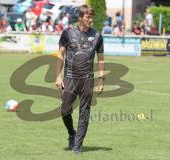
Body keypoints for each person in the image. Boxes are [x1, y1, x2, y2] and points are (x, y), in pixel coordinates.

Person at [55, 4, 105, 154]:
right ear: (81, 17)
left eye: (92, 17)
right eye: (88, 17)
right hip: (69, 77)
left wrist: (102, 79)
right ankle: (72, 133)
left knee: (84, 112)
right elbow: (60, 54)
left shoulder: (97, 36)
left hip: (87, 79)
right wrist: (57, 76)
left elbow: (101, 58)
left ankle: (78, 146)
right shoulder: (68, 32)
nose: (91, 20)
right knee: (65, 110)